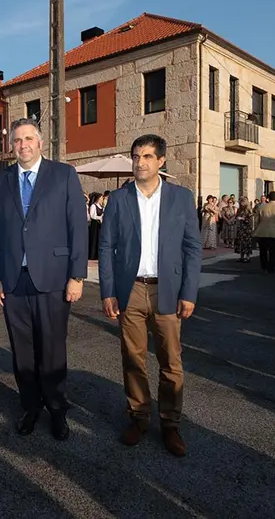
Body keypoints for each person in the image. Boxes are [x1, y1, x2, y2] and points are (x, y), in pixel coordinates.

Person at [99, 134, 202, 457]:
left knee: (171, 361)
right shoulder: (119, 199)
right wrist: (108, 291)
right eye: (136, 156)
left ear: (161, 161)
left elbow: (192, 248)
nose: (140, 162)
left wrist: (189, 292)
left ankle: (170, 424)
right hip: (131, 289)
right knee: (133, 358)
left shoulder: (181, 198)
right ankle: (139, 417)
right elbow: (105, 247)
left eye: (146, 156)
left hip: (168, 290)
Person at [0, 118, 88, 441]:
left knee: (53, 348)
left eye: (29, 138)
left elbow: (78, 227)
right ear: (12, 146)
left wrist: (77, 275)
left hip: (54, 277)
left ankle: (57, 409)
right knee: (23, 350)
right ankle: (30, 407)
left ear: (41, 142)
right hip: (13, 279)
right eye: (17, 140)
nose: (24, 145)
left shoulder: (64, 175)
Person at [252, 191, 275, 274]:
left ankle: (264, 267)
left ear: (268, 198)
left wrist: (256, 230)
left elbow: (256, 221)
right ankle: (271, 268)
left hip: (262, 232)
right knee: (274, 252)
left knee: (263, 251)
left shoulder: (261, 208)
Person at [234, 196, 254, 263]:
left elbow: (250, 220)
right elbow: (236, 216)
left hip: (247, 229)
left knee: (247, 243)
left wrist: (242, 218)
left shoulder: (249, 210)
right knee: (240, 242)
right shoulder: (240, 210)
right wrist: (237, 217)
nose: (240, 204)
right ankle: (241, 257)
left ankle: (248, 257)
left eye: (242, 203)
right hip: (240, 228)